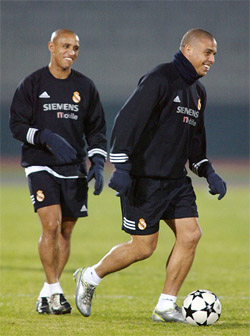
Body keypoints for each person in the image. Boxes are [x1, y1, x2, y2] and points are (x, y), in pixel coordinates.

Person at [73, 28, 227, 323]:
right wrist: (122, 168)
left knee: (191, 234)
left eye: (214, 55)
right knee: (144, 247)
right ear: (189, 50)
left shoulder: (198, 92)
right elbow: (126, 120)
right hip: (145, 179)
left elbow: (195, 144)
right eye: (208, 53)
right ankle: (90, 277)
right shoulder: (160, 78)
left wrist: (208, 171)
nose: (211, 60)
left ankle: (166, 306)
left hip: (175, 182)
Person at [9, 29, 107, 315]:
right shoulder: (32, 83)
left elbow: (97, 130)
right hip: (40, 164)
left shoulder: (85, 87)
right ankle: (55, 293)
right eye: (65, 46)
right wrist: (45, 137)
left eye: (76, 48)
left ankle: (46, 290)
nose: (71, 52)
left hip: (73, 167)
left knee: (65, 231)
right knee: (50, 225)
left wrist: (98, 163)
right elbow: (17, 126)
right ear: (51, 47)